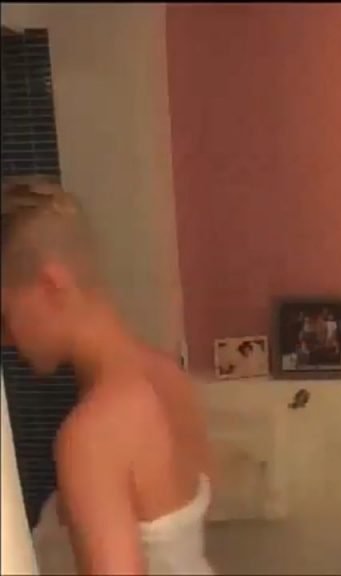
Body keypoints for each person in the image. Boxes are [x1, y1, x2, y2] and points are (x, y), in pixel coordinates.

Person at [0, 180, 215, 574]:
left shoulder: (91, 434)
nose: (5, 338)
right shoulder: (165, 375)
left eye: (3, 314)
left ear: (51, 284)